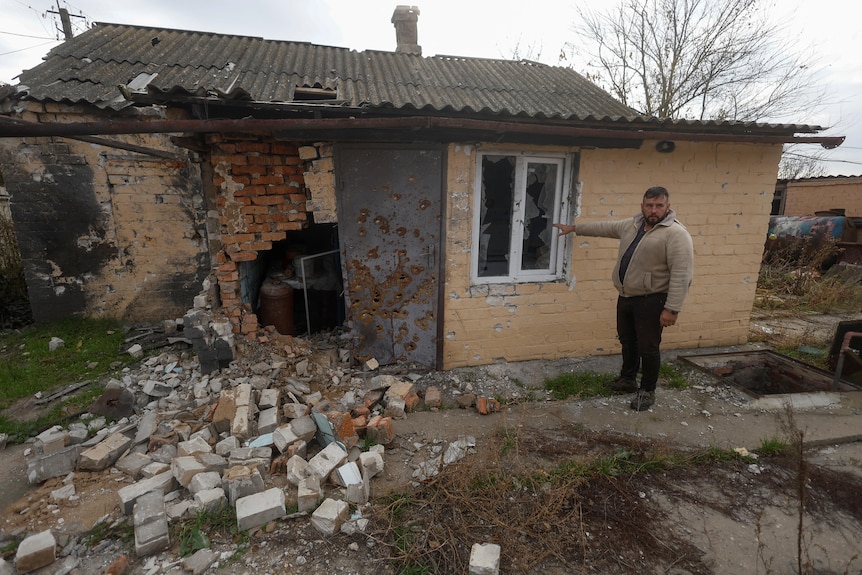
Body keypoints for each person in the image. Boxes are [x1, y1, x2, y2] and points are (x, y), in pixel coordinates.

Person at [552, 186, 694, 411]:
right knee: (628, 340)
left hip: (652, 299)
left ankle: (647, 391)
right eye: (649, 205)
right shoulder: (633, 224)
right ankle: (627, 379)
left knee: (648, 347)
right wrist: (574, 228)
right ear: (642, 206)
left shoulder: (676, 234)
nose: (653, 210)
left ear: (668, 207)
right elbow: (605, 227)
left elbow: (682, 274)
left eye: (659, 206)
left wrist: (672, 309)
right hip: (627, 296)